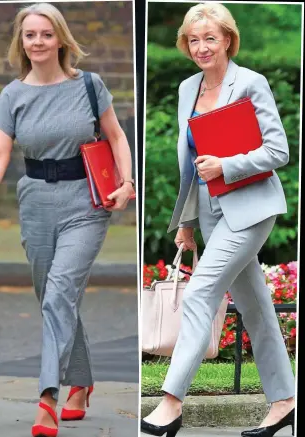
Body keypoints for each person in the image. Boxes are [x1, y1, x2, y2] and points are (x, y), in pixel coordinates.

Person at [141, 4, 295, 437]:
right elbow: (190, 165)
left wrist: (227, 166)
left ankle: (170, 404)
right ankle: (285, 401)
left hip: (250, 210)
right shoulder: (188, 88)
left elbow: (278, 151)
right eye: (193, 39)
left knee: (200, 294)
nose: (201, 47)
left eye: (210, 38)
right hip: (209, 212)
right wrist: (187, 222)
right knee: (256, 308)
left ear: (227, 39)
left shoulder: (250, 83)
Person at [0, 3, 134, 437]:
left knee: (59, 293)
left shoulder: (90, 85)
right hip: (34, 201)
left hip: (86, 202)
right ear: (21, 42)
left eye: (46, 34)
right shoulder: (13, 94)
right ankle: (82, 382)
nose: (37, 42)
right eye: (30, 35)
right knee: (55, 296)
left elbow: (116, 136)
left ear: (62, 39)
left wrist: (126, 182)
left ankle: (47, 395)